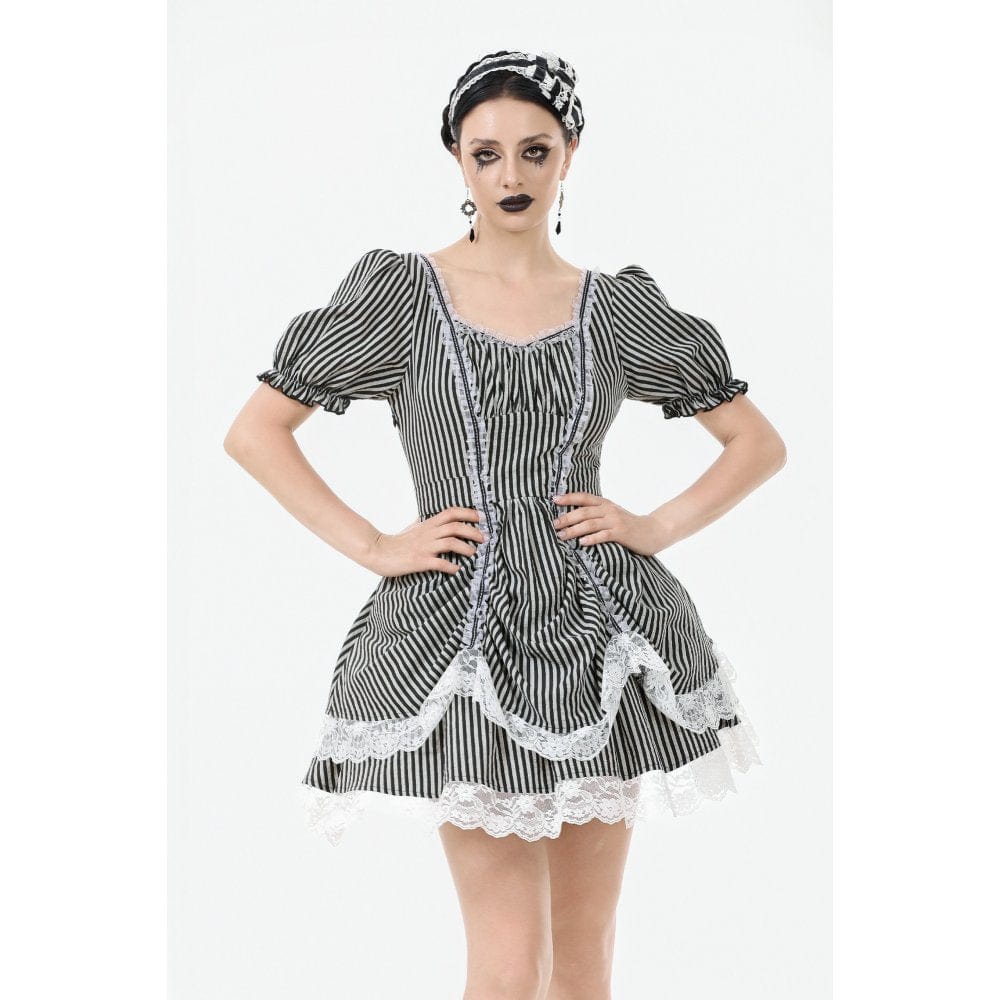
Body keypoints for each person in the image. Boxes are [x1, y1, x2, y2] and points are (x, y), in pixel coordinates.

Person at [224, 48, 786, 1000]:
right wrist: (376, 545)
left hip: (601, 641)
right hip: (465, 645)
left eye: (535, 150)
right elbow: (256, 432)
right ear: (457, 158)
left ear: (570, 153)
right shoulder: (403, 296)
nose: (511, 175)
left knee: (584, 958)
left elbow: (756, 443)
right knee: (509, 962)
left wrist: (653, 525)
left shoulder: (616, 308)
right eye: (486, 153)